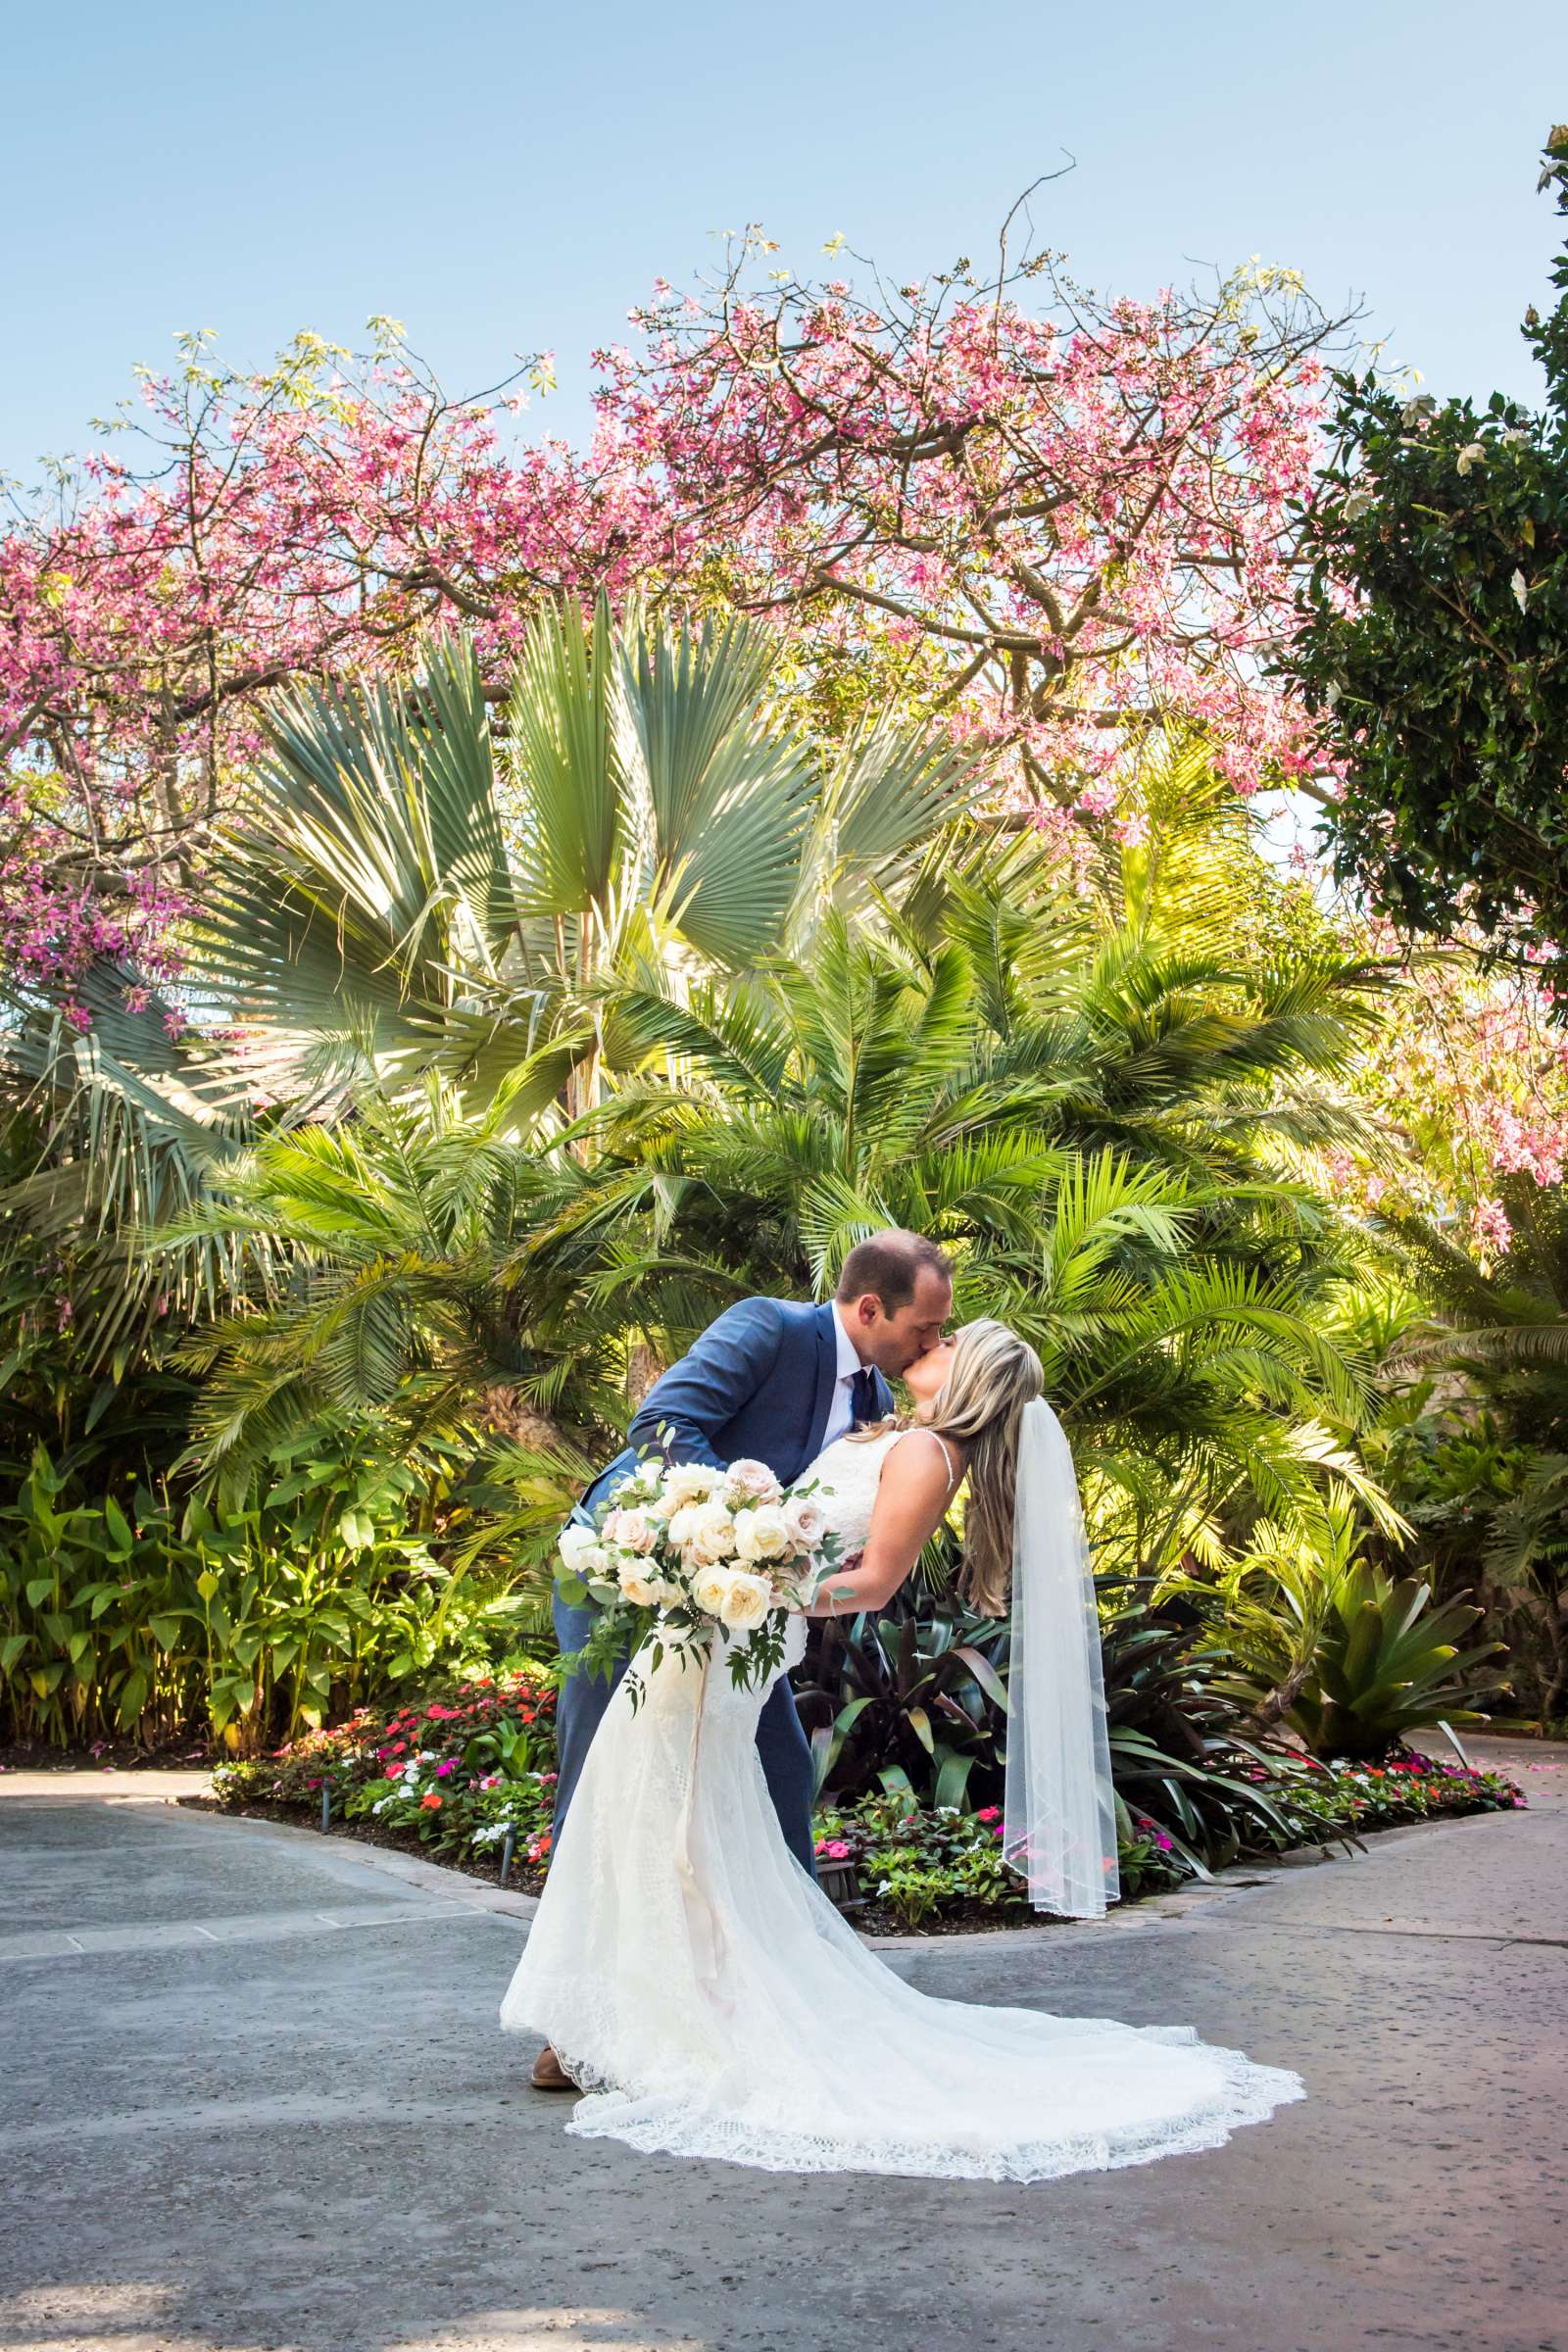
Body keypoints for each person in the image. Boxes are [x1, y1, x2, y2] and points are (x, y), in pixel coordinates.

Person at [503, 1318, 1305, 2179]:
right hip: (721, 1634)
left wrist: (747, 1588)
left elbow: (873, 1581)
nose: (940, 1336)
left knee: (674, 1818)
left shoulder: (928, 1455)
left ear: (974, 1378)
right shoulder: (898, 1429)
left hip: (733, 1632)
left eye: (956, 1339)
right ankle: (625, 2020)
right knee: (668, 1817)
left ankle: (650, 2026)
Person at [530, 1229, 952, 2091]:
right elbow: (662, 1424)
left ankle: (780, 1993)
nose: (932, 1344)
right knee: (605, 1776)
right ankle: (574, 2024)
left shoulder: (880, 1389)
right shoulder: (769, 1328)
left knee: (780, 1776)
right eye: (924, 1327)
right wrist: (733, 1514)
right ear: (870, 1308)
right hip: (628, 1576)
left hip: (728, 1615)